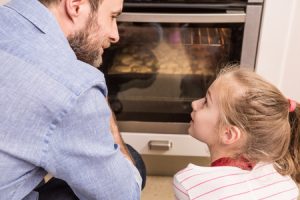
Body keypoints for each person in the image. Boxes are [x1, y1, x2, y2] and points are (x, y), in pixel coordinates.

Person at [0, 0, 145, 199]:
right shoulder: (73, 86)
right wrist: (96, 103)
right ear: (76, 6)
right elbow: (124, 195)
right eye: (112, 17)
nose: (115, 35)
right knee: (131, 162)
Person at [173, 66, 300, 199]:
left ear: (228, 134)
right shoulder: (285, 182)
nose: (194, 104)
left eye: (206, 102)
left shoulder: (190, 184)